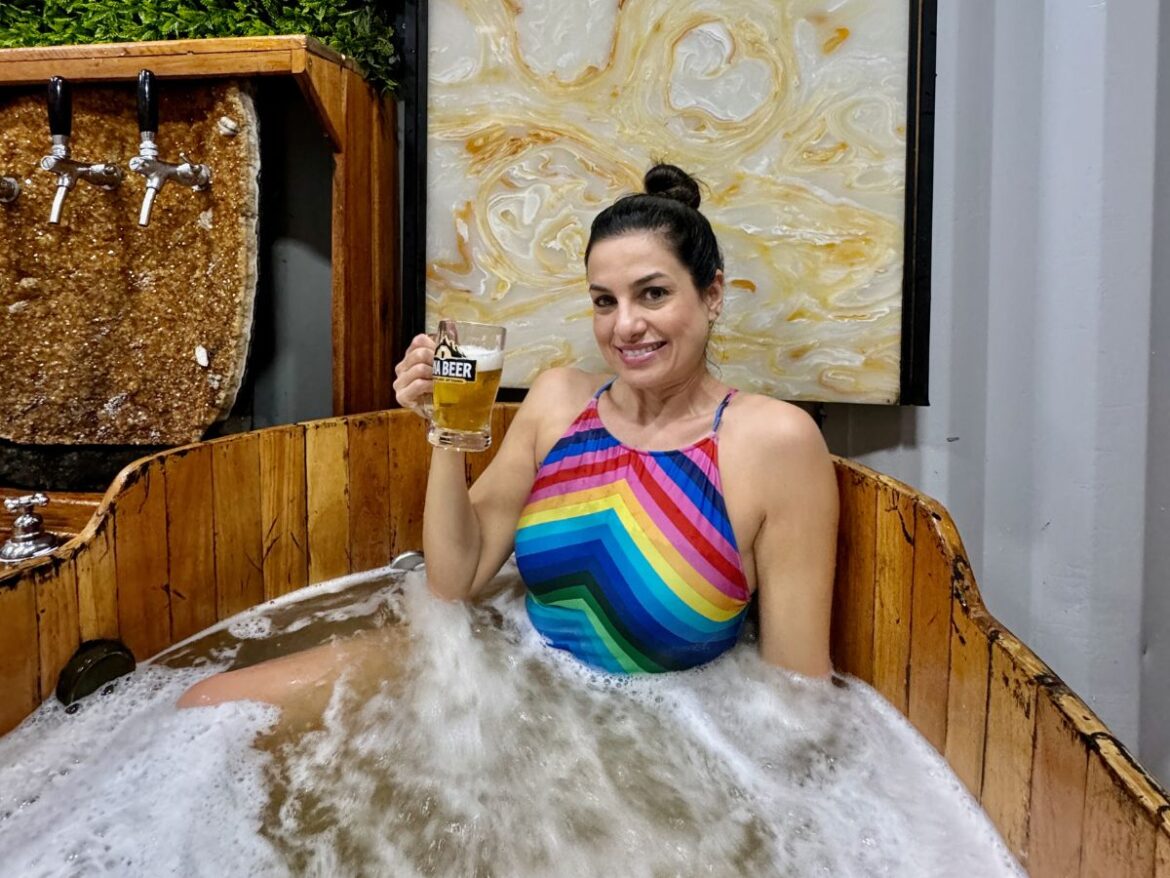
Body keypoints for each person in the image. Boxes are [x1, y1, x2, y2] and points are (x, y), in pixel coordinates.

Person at [180, 164, 836, 708]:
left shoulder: (772, 444)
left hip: (662, 735)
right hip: (509, 687)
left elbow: (796, 695)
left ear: (712, 294)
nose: (625, 325)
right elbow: (454, 580)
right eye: (604, 301)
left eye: (653, 294)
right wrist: (444, 427)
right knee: (206, 703)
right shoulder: (559, 402)